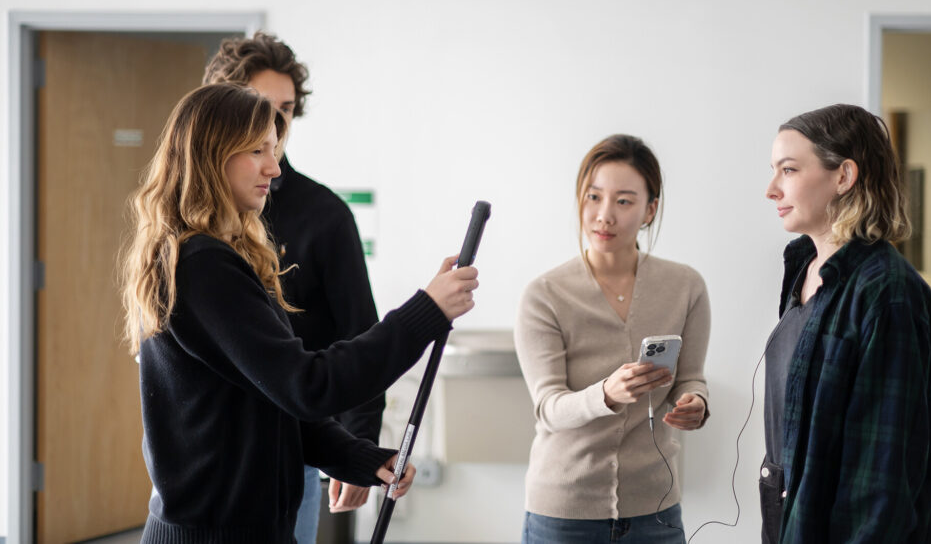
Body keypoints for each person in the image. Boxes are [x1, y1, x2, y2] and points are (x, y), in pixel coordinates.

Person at [120, 83, 478, 543]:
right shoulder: (202, 266)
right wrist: (426, 312)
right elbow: (308, 385)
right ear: (211, 156)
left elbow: (273, 404)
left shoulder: (219, 256)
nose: (273, 167)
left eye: (275, 148)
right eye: (256, 151)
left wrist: (360, 458)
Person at [762, 104, 931, 543]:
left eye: (789, 170)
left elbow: (884, 478)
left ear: (843, 176)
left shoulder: (888, 292)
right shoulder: (803, 269)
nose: (771, 189)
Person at [203, 32, 378, 542]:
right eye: (262, 108)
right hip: (204, 462)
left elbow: (359, 335)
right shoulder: (190, 229)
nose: (277, 126)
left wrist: (356, 446)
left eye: (287, 110)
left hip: (293, 451)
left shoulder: (324, 215)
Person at [514, 134, 711, 544]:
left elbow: (689, 378)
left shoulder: (685, 286)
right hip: (564, 514)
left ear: (649, 210)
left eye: (623, 201)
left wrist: (696, 402)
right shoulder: (545, 294)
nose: (604, 215)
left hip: (655, 511)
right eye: (593, 197)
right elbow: (548, 407)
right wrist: (605, 393)